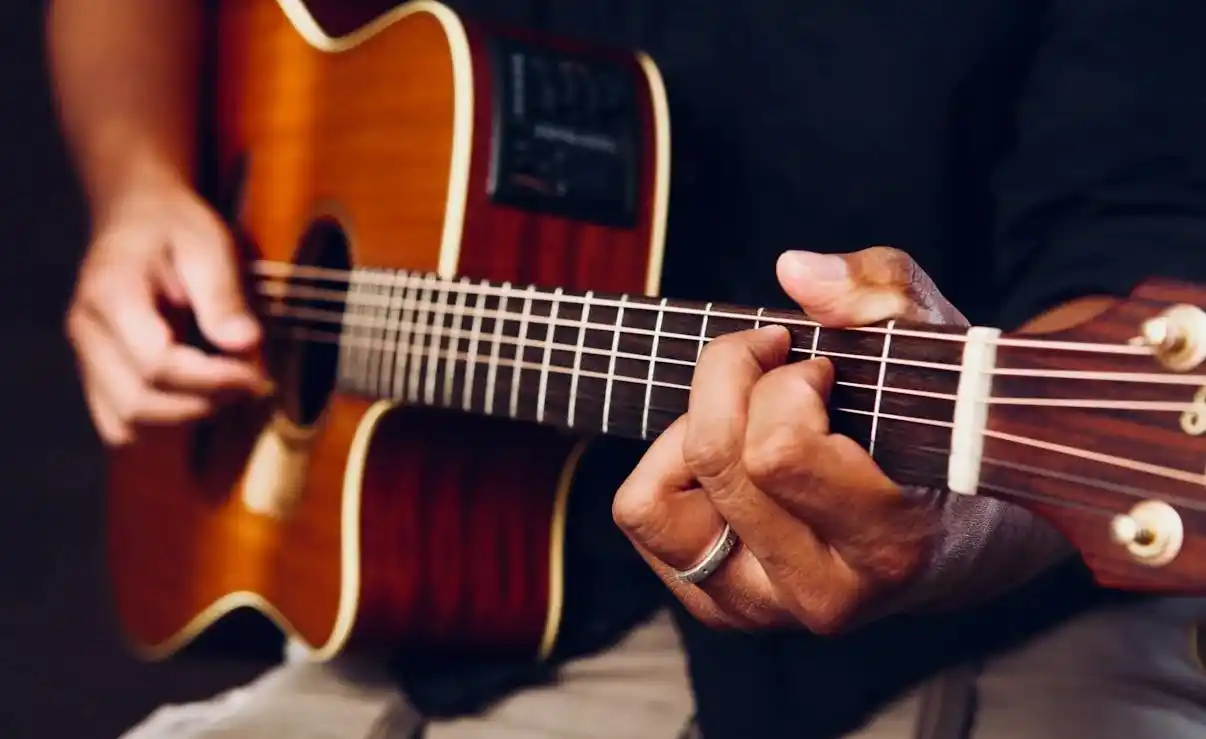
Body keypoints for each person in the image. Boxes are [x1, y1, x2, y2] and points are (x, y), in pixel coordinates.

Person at [48, 0, 1206, 737]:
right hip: (427, 613)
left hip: (971, 634)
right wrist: (136, 187)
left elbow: (1145, 268)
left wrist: (960, 525)